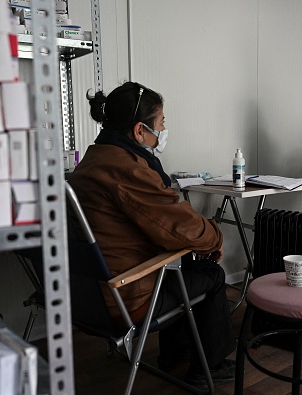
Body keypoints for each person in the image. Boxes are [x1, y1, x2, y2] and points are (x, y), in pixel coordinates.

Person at [68, 81, 236, 389]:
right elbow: (176, 227)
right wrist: (215, 236)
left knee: (182, 267)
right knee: (210, 274)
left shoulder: (92, 161)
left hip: (84, 295)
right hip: (124, 297)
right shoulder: (128, 169)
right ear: (139, 131)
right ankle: (209, 367)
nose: (163, 130)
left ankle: (175, 356)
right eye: (160, 124)